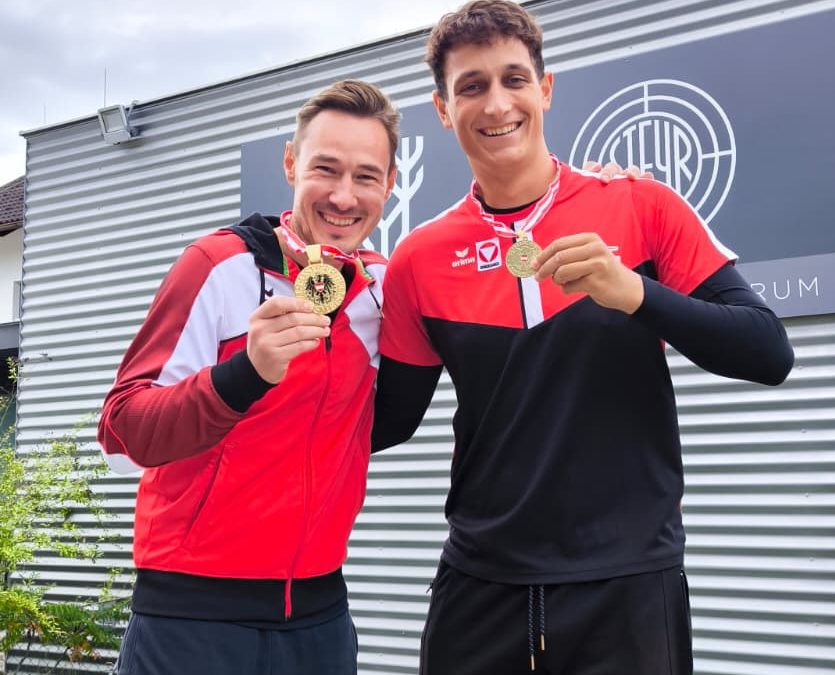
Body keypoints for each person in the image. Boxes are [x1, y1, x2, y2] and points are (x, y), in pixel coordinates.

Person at [372, 2, 795, 674]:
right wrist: (263, 369)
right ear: (444, 109)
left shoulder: (641, 204)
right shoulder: (420, 257)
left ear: (545, 88)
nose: (496, 102)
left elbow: (768, 352)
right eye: (471, 86)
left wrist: (634, 293)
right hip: (482, 587)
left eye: (514, 79)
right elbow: (384, 420)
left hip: (626, 585)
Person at [97, 79, 400, 675]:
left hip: (320, 615)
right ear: (290, 164)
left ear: (389, 185)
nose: (344, 195)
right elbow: (122, 430)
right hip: (193, 616)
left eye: (366, 176)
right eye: (325, 169)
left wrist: (610, 190)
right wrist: (244, 376)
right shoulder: (218, 265)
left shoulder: (385, 289)